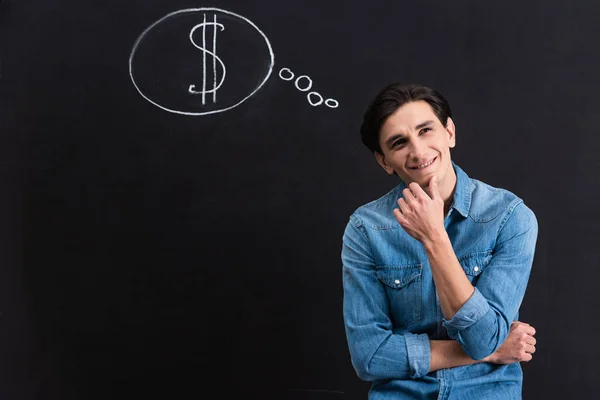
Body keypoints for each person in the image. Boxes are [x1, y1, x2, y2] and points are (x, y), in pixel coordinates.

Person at [341, 83, 538, 399]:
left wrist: (434, 237)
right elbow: (370, 356)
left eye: (426, 131)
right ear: (384, 161)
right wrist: (491, 352)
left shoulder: (509, 216)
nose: (418, 151)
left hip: (485, 392)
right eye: (399, 142)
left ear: (450, 132)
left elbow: (481, 338)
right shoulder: (366, 228)